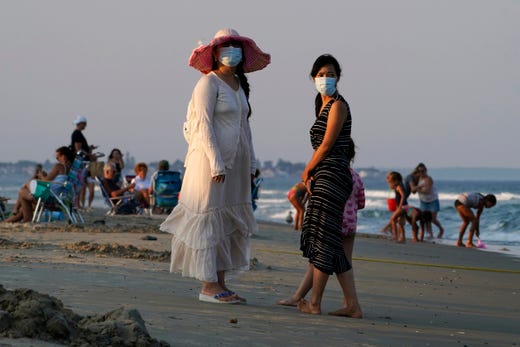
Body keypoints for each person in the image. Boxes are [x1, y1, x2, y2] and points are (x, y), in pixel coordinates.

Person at [159, 28, 270, 304]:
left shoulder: (239, 86)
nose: (231, 51)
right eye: (225, 46)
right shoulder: (208, 84)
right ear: (215, 53)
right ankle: (208, 285)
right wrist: (216, 163)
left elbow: (245, 127)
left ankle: (221, 282)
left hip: (237, 165)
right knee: (209, 216)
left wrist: (252, 162)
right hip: (209, 164)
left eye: (235, 46)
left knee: (226, 219)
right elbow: (203, 125)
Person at [294, 54, 361, 317]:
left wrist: (307, 170)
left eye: (330, 74)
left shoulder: (337, 106)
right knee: (330, 242)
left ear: (338, 77)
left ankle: (314, 303)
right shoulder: (321, 105)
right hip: (325, 174)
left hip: (332, 174)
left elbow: (326, 145)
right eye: (320, 74)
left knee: (322, 239)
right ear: (312, 78)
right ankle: (352, 306)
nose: (325, 79)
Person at [278, 137, 364, 318]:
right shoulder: (355, 176)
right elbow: (361, 202)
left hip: (334, 221)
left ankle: (309, 300)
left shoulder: (330, 174)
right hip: (351, 226)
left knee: (318, 261)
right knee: (345, 263)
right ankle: (349, 303)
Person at [4, 146, 74, 223]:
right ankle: (7, 221)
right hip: (58, 198)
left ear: (63, 156)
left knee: (22, 191)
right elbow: (55, 182)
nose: (57, 159)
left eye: (58, 157)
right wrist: (43, 176)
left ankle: (19, 213)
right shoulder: (70, 168)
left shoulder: (59, 166)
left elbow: (46, 180)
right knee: (23, 206)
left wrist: (41, 175)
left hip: (49, 198)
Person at [70, 115, 100, 211]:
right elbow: (78, 149)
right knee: (79, 182)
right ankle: (78, 205)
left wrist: (89, 148)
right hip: (80, 161)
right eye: (85, 124)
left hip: (81, 161)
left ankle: (78, 205)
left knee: (80, 183)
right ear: (81, 123)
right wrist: (90, 155)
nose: (85, 126)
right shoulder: (77, 134)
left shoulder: (77, 134)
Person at [409, 163, 444, 238]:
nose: (422, 173)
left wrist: (417, 188)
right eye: (420, 171)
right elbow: (413, 191)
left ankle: (441, 229)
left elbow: (427, 191)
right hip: (423, 201)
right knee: (425, 219)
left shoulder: (428, 179)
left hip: (433, 201)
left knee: (433, 219)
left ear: (426, 170)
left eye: (423, 171)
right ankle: (430, 234)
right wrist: (419, 187)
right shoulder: (418, 179)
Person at [385, 171, 408, 243]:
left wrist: (400, 206)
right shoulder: (399, 186)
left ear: (396, 181)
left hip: (402, 207)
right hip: (405, 206)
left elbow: (403, 195)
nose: (390, 184)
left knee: (393, 219)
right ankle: (403, 238)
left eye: (391, 182)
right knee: (400, 223)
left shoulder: (398, 187)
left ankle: (395, 236)